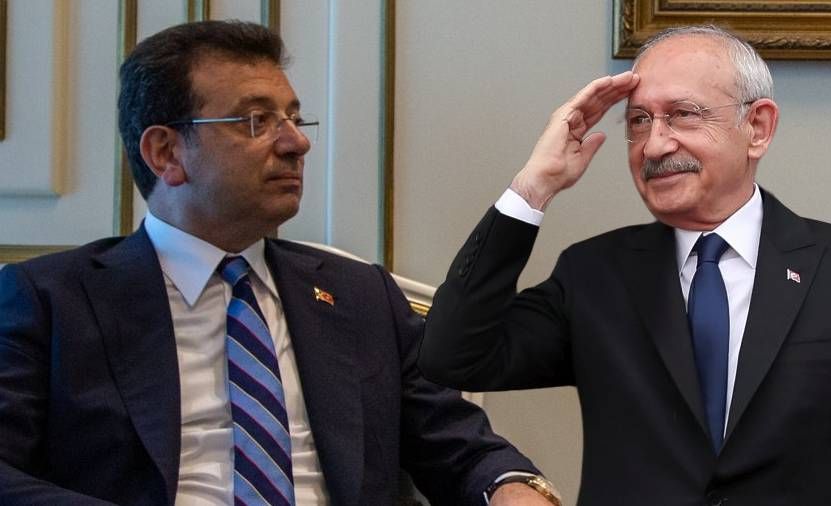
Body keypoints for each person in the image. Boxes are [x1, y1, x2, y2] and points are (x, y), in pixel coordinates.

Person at [0, 20, 560, 506]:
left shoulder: (359, 295)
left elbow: (460, 447)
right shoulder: (51, 300)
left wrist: (511, 488)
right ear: (165, 153)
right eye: (256, 121)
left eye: (294, 118)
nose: (296, 143)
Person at [419, 25, 831, 505]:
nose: (654, 146)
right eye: (639, 121)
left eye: (683, 115)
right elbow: (452, 357)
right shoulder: (594, 275)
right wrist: (534, 187)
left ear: (757, 128)